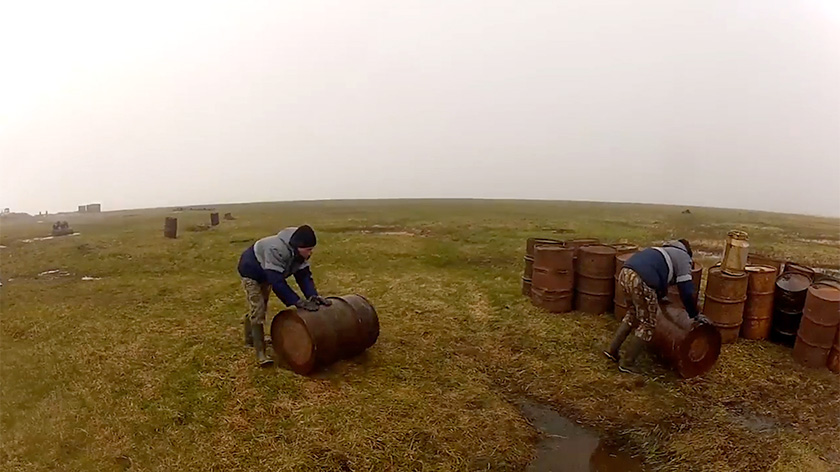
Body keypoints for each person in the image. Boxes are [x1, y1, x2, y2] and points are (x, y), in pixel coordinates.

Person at [237, 225, 331, 366]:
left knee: (260, 306)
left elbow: (304, 276)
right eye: (308, 250)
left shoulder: (299, 247)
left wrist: (313, 296)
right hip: (252, 271)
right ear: (299, 247)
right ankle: (260, 352)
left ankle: (251, 337)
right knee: (258, 308)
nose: (310, 253)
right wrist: (297, 302)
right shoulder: (275, 249)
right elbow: (277, 282)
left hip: (267, 271)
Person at [604, 239, 697, 373]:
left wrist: (660, 295)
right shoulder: (684, 257)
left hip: (625, 273)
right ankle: (627, 363)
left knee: (632, 314)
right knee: (648, 324)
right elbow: (686, 290)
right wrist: (694, 313)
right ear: (688, 252)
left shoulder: (662, 251)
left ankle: (612, 350)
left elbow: (659, 276)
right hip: (641, 280)